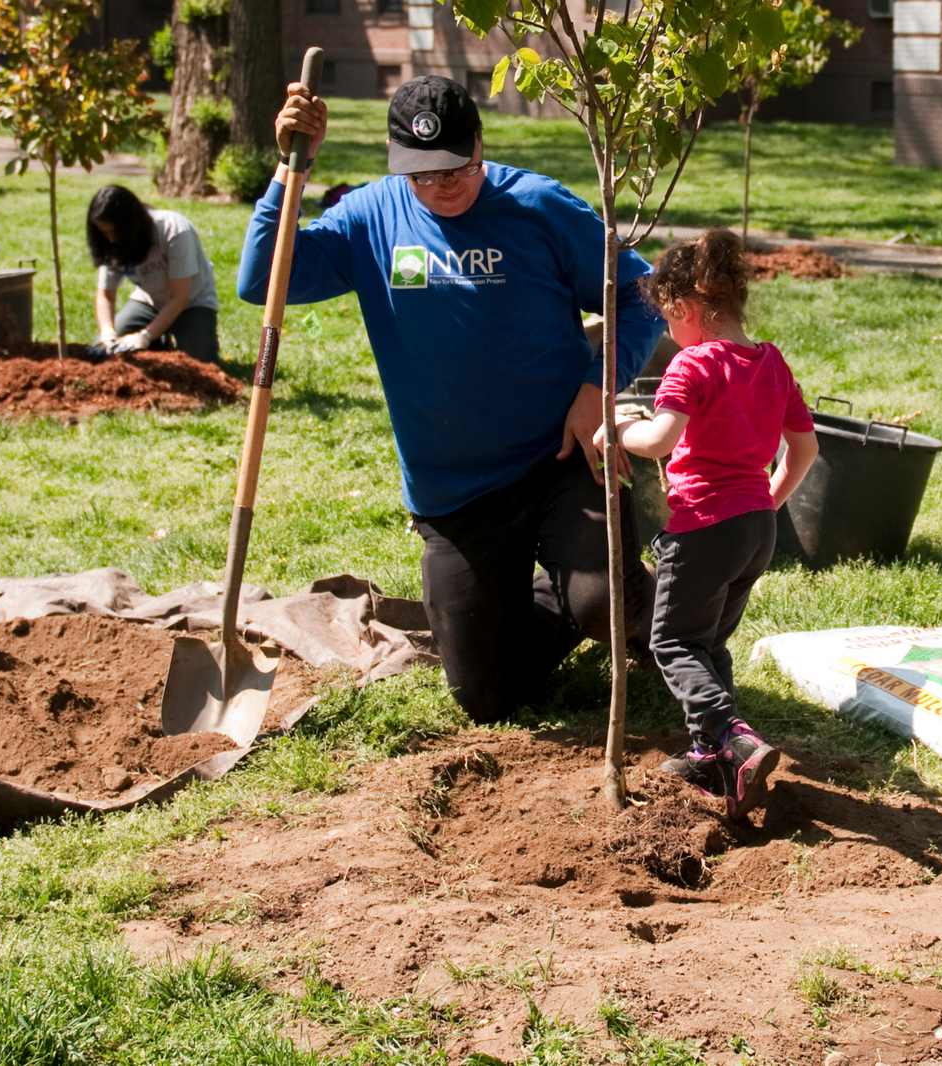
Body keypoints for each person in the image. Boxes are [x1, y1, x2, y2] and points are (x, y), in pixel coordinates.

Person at [239, 75, 662, 723]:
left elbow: (639, 298)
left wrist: (595, 389)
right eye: (423, 175)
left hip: (561, 458)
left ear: (480, 146)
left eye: (458, 170)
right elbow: (264, 278)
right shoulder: (371, 217)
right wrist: (289, 168)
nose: (442, 187)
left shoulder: (539, 207)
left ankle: (643, 620)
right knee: (485, 696)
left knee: (602, 601)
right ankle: (564, 594)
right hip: (456, 496)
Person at [600, 230, 820, 819]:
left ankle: (732, 738)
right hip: (756, 529)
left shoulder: (693, 363)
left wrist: (618, 424)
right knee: (708, 642)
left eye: (669, 321)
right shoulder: (772, 363)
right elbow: (804, 448)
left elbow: (659, 439)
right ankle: (712, 757)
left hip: (701, 529)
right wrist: (767, 502)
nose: (670, 333)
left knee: (671, 640)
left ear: (686, 311)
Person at [86, 185, 220, 362]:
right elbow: (106, 295)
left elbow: (180, 297)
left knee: (198, 363)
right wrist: (108, 333)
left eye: (113, 232)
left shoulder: (174, 230)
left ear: (130, 225)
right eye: (104, 234)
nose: (110, 239)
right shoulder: (110, 244)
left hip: (193, 302)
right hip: (149, 302)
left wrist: (145, 336)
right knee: (103, 354)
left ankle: (157, 338)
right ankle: (158, 342)